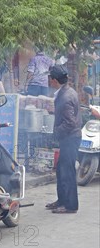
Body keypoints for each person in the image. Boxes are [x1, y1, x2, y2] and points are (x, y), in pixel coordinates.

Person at [46, 65, 81, 214]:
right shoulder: (67, 91)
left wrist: (55, 133)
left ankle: (70, 205)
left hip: (70, 137)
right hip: (70, 137)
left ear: (54, 80)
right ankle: (62, 200)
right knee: (61, 170)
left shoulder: (65, 97)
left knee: (67, 172)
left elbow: (70, 122)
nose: (49, 80)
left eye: (50, 78)